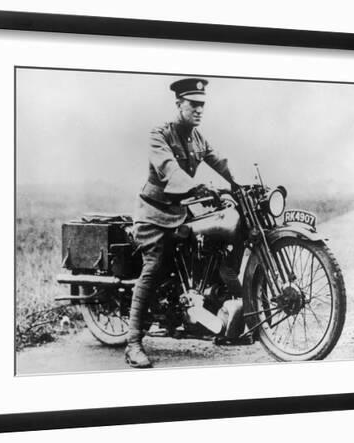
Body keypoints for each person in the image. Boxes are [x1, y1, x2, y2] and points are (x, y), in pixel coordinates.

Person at [125, 78, 244, 368]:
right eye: (193, 104)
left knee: (209, 245)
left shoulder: (198, 137)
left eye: (202, 104)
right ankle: (132, 343)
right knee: (153, 267)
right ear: (178, 104)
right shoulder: (160, 135)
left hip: (181, 211)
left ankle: (214, 314)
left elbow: (220, 161)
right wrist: (197, 187)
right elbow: (170, 170)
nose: (199, 110)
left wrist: (239, 185)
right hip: (154, 214)